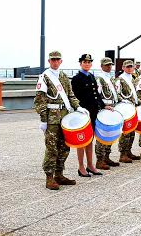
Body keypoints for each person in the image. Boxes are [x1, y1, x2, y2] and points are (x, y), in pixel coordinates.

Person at [34, 50, 80, 190]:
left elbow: (71, 95)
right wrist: (43, 119)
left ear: (61, 61)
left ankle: (59, 174)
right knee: (51, 148)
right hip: (52, 119)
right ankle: (49, 177)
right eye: (52, 60)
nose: (55, 62)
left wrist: (78, 107)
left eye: (57, 60)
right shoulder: (44, 77)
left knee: (64, 147)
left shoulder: (64, 76)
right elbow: (39, 100)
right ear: (49, 61)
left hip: (65, 117)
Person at [71, 54, 105, 178]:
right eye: (84, 62)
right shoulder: (77, 78)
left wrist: (103, 105)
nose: (87, 64)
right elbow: (74, 97)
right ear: (80, 63)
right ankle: (81, 167)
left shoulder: (91, 76)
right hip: (82, 113)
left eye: (89, 62)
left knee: (90, 139)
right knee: (82, 140)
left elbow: (96, 94)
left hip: (93, 112)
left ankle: (90, 165)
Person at [94, 57, 120, 170]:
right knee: (102, 134)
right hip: (104, 108)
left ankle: (106, 157)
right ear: (101, 66)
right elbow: (97, 95)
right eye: (107, 65)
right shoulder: (100, 78)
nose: (109, 66)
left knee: (110, 133)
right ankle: (100, 160)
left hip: (112, 107)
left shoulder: (110, 78)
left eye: (110, 65)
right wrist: (103, 106)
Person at [114, 60, 141, 163]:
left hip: (133, 107)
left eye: (131, 67)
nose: (130, 68)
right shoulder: (120, 79)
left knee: (132, 131)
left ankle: (128, 151)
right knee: (125, 131)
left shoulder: (133, 78)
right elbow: (117, 93)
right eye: (127, 67)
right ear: (123, 68)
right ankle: (123, 154)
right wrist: (123, 100)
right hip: (125, 108)